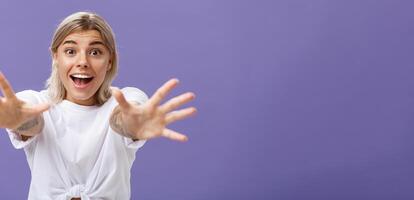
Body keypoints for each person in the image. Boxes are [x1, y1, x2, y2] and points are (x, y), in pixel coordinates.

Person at [0, 11, 196, 200]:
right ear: (55, 57)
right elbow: (31, 119)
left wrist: (133, 125)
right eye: (70, 51)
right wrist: (18, 120)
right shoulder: (36, 103)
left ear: (110, 60)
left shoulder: (126, 99)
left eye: (95, 52)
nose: (83, 62)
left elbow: (123, 119)